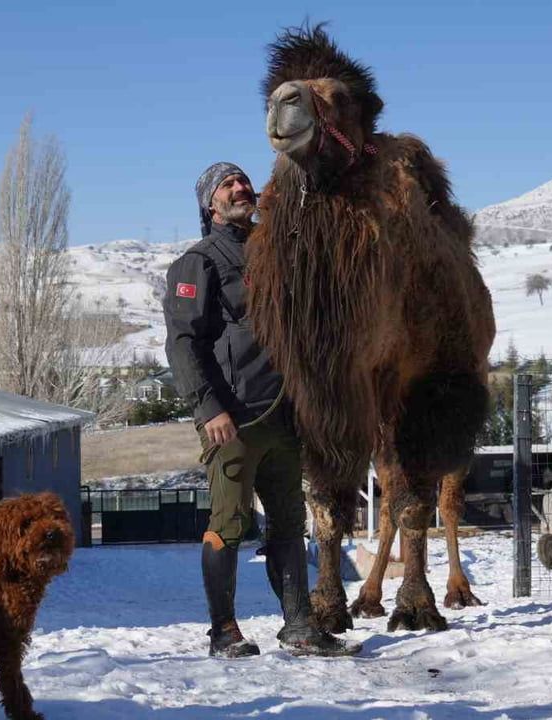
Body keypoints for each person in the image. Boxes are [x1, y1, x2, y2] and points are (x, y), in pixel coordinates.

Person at [163, 162, 360, 658]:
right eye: (228, 184)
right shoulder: (198, 262)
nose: (240, 187)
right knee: (228, 523)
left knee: (289, 525)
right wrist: (209, 410)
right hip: (232, 419)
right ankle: (223, 630)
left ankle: (298, 625)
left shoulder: (273, 252)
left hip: (283, 416)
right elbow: (183, 343)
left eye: (243, 181)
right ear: (211, 203)